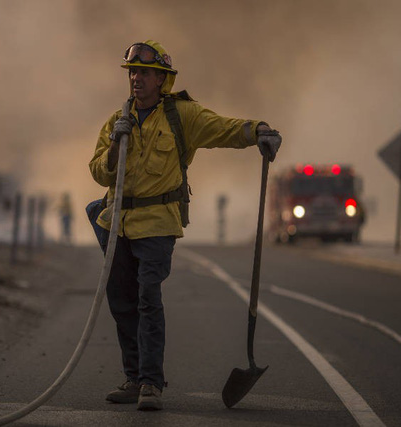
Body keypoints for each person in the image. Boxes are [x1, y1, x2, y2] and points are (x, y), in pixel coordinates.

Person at [88, 40, 282, 411]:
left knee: (147, 297)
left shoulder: (181, 116)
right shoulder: (117, 121)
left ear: (162, 79)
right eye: (132, 72)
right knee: (122, 303)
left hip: (158, 222)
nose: (136, 79)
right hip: (117, 224)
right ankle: (133, 378)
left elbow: (221, 128)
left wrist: (258, 130)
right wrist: (116, 144)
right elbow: (98, 172)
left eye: (144, 72)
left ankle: (150, 384)